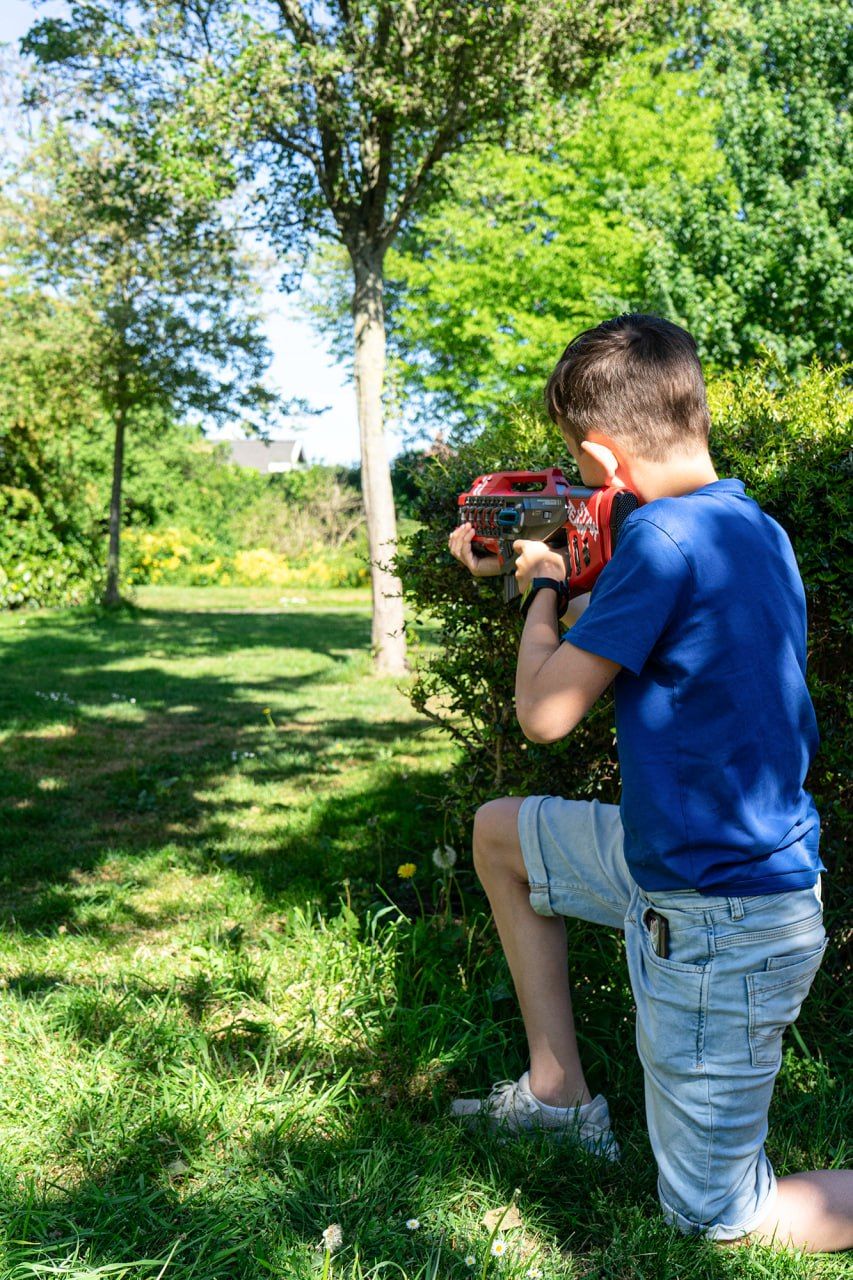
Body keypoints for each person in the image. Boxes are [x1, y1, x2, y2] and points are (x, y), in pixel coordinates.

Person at [447, 314, 853, 1252]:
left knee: (719, 1219)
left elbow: (544, 713)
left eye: (578, 466)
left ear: (600, 455)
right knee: (502, 835)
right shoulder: (747, 527)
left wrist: (541, 585)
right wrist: (526, 567)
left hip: (722, 921)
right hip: (677, 866)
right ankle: (557, 1095)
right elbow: (622, 617)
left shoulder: (660, 543)